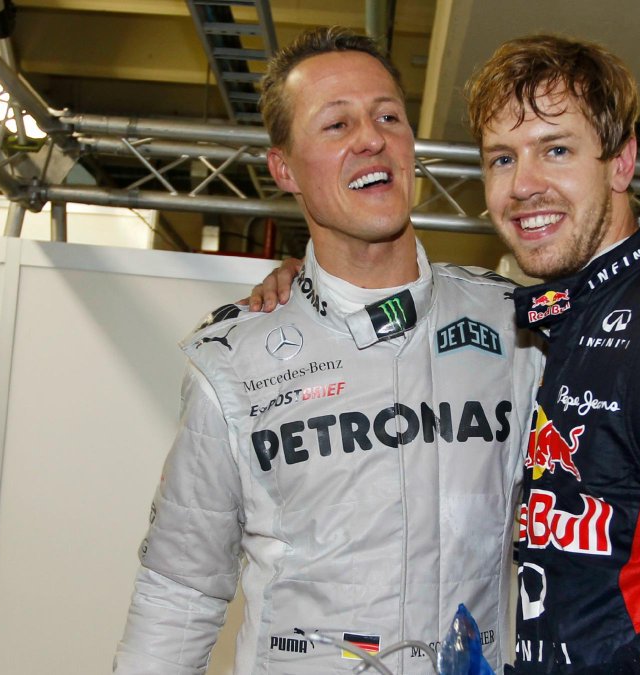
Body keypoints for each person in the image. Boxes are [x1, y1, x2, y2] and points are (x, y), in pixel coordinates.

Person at [249, 33, 640, 675]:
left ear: (621, 162)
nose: (524, 186)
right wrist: (310, 287)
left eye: (556, 150)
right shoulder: (551, 322)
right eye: (502, 159)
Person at [114, 27, 541, 675]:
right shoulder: (234, 360)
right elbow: (179, 592)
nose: (371, 138)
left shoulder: (516, 329)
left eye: (388, 116)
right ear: (283, 168)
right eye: (337, 124)